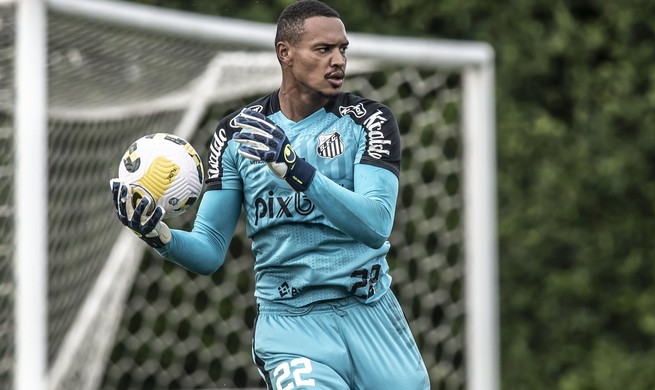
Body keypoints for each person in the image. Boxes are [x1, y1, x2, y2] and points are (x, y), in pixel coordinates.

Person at [110, 0, 430, 388]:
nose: (338, 61)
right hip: (291, 326)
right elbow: (210, 248)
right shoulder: (235, 135)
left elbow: (376, 223)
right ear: (286, 53)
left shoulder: (369, 121)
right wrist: (158, 236)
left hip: (372, 315)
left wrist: (298, 171)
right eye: (323, 49)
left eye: (342, 49)